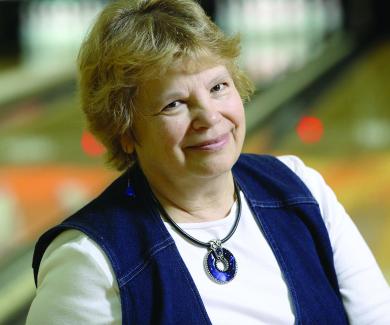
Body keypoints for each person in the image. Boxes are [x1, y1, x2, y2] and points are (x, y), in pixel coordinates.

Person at [27, 0, 390, 324]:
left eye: (218, 87)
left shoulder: (300, 188)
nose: (209, 117)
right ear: (124, 130)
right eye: (174, 103)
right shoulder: (89, 261)